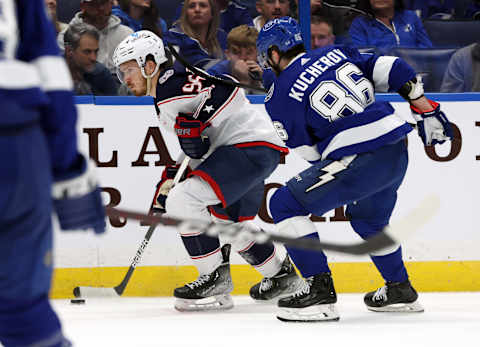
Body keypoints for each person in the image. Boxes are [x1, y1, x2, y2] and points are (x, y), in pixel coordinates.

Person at [256, 17, 453, 322]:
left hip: (360, 154)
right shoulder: (335, 52)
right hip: (396, 146)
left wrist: (343, 171)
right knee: (369, 220)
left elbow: (310, 154)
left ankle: (318, 292)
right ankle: (399, 289)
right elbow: (395, 69)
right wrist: (422, 104)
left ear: (273, 53)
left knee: (283, 204)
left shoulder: (278, 94)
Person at [112, 30, 303, 311]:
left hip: (246, 148)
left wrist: (200, 122)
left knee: (182, 200)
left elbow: (230, 88)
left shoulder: (168, 84)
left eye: (129, 69)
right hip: (252, 149)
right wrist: (176, 169)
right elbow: (199, 142)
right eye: (121, 72)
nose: (126, 78)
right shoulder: (166, 92)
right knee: (229, 223)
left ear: (149, 64)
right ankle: (281, 275)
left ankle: (213, 276)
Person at [0, 0, 106, 346]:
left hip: (15, 141)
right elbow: (51, 77)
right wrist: (65, 167)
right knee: (21, 309)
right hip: (13, 144)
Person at [57, 0, 133, 74]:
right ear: (83, 6)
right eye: (94, 3)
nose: (101, 8)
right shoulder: (65, 37)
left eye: (104, 3)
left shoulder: (126, 34)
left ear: (111, 4)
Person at [349, 0, 433, 51]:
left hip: (416, 72)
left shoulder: (411, 17)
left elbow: (427, 48)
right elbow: (362, 56)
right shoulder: (359, 24)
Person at [208, 25, 268, 94]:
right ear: (227, 54)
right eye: (236, 52)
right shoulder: (214, 75)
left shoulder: (265, 72)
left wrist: (261, 82)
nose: (243, 58)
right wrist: (243, 82)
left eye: (249, 53)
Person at [64, 22, 119, 95]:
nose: (93, 58)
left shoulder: (102, 74)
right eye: (87, 52)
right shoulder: (50, 73)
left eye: (96, 51)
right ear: (69, 51)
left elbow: (114, 105)